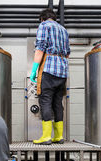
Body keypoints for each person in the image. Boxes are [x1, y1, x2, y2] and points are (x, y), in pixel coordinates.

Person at [30, 8, 70, 145]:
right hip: (63, 71)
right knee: (57, 103)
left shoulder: (44, 26)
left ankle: (46, 137)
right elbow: (68, 53)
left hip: (48, 70)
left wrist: (34, 70)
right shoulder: (63, 30)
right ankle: (58, 136)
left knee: (45, 101)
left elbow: (40, 48)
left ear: (42, 18)